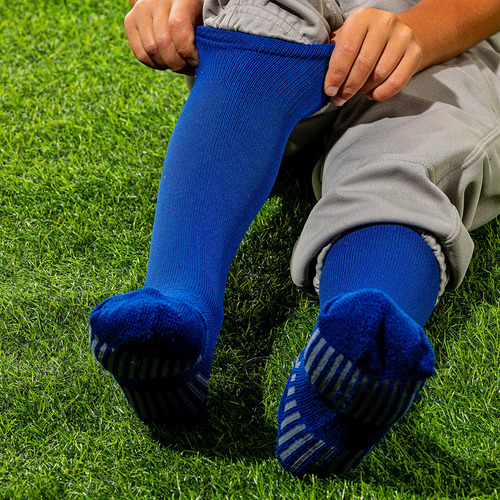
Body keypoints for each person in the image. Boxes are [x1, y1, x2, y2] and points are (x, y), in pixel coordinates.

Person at [89, 0, 500, 476]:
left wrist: (420, 32)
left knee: (417, 148)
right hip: (274, 54)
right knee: (265, 11)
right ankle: (179, 302)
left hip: (455, 33)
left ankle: (361, 344)